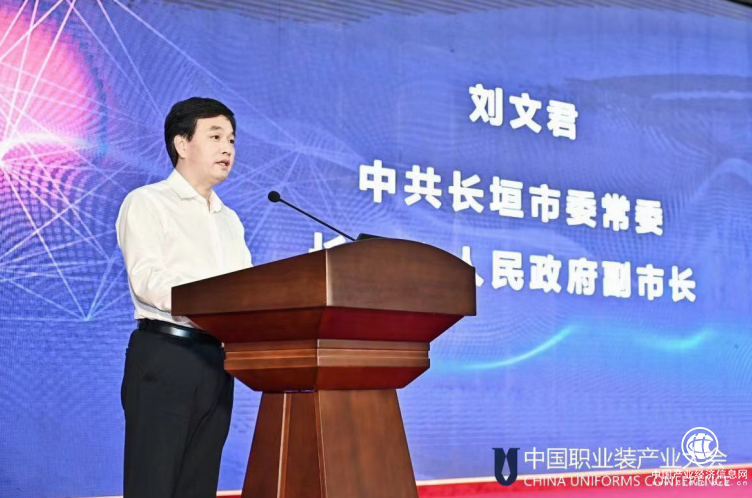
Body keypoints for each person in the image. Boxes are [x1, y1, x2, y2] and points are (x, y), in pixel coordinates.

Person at [116, 97, 252, 498]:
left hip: (217, 361)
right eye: (215, 136)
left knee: (199, 484)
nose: (227, 148)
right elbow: (148, 279)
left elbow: (246, 289)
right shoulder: (147, 202)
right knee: (154, 484)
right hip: (166, 356)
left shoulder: (230, 220)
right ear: (181, 143)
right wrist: (212, 303)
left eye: (231, 139)